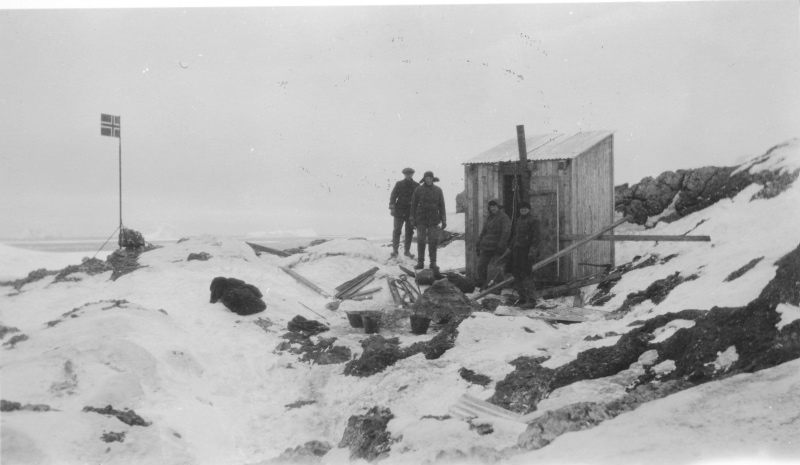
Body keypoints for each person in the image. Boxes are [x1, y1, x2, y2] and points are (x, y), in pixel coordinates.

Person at [505, 201, 540, 307]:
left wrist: (532, 251)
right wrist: (509, 248)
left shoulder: (533, 221)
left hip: (527, 252)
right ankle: (522, 298)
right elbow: (515, 237)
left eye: (525, 208)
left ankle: (532, 300)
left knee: (526, 275)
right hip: (517, 251)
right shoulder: (519, 221)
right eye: (521, 208)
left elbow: (536, 238)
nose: (523, 210)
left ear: (529, 209)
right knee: (517, 274)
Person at [409, 171, 446, 271]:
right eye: (427, 178)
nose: (428, 180)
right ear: (424, 179)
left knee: (433, 241)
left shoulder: (438, 190)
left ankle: (433, 263)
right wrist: (412, 219)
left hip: (433, 220)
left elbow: (442, 205)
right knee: (421, 241)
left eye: (430, 178)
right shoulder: (418, 190)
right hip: (421, 219)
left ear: (433, 179)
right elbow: (413, 205)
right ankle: (420, 262)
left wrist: (443, 220)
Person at [475, 199, 511, 290]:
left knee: (496, 267)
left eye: (494, 206)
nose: (493, 208)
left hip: (497, 247)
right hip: (486, 246)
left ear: (498, 207)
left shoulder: (504, 217)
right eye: (491, 207)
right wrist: (478, 243)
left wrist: (501, 245)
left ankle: (497, 288)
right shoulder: (489, 218)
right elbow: (483, 232)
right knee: (481, 265)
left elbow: (506, 232)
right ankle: (482, 284)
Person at [389, 167, 417, 258]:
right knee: (397, 230)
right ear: (404, 175)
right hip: (399, 211)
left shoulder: (416, 185)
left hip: (410, 212)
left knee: (409, 232)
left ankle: (407, 251)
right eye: (406, 174)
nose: (408, 175)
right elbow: (393, 196)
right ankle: (395, 251)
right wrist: (392, 207)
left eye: (410, 174)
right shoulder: (399, 184)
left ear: (412, 174)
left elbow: (418, 200)